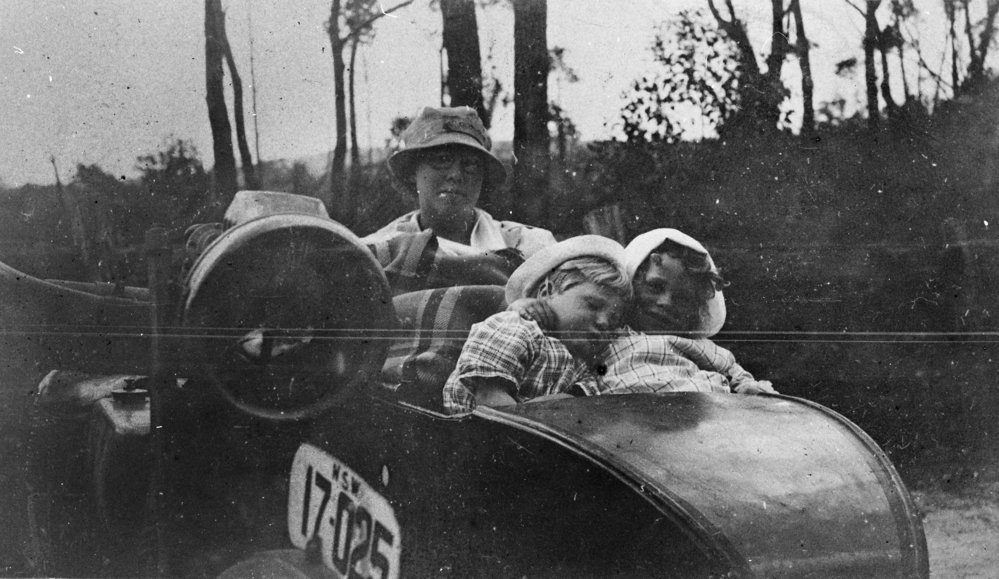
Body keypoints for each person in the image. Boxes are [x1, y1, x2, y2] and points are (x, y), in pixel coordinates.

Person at [513, 228, 776, 396]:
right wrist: (527, 308)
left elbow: (735, 372)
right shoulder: (605, 331)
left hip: (698, 411)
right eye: (655, 287)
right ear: (632, 283)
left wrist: (748, 388)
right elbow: (552, 328)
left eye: (683, 298)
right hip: (626, 429)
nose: (666, 302)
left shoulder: (693, 345)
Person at [363, 106, 556, 293]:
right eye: (442, 159)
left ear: (483, 177)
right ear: (414, 171)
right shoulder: (375, 254)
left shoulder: (531, 248)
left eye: (470, 164)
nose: (456, 174)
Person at [442, 235, 632, 415]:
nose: (604, 322)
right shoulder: (515, 328)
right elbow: (489, 400)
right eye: (593, 305)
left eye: (613, 319)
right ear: (546, 292)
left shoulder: (581, 364)